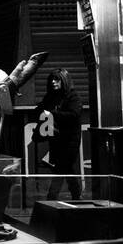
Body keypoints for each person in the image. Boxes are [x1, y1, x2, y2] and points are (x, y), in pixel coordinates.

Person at [37, 68, 83, 200]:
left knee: (62, 168)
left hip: (70, 140)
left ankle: (52, 197)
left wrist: (52, 113)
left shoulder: (73, 96)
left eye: (56, 79)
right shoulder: (50, 96)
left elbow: (74, 115)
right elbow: (42, 109)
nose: (53, 82)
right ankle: (77, 195)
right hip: (56, 139)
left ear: (64, 80)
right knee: (66, 168)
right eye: (51, 79)